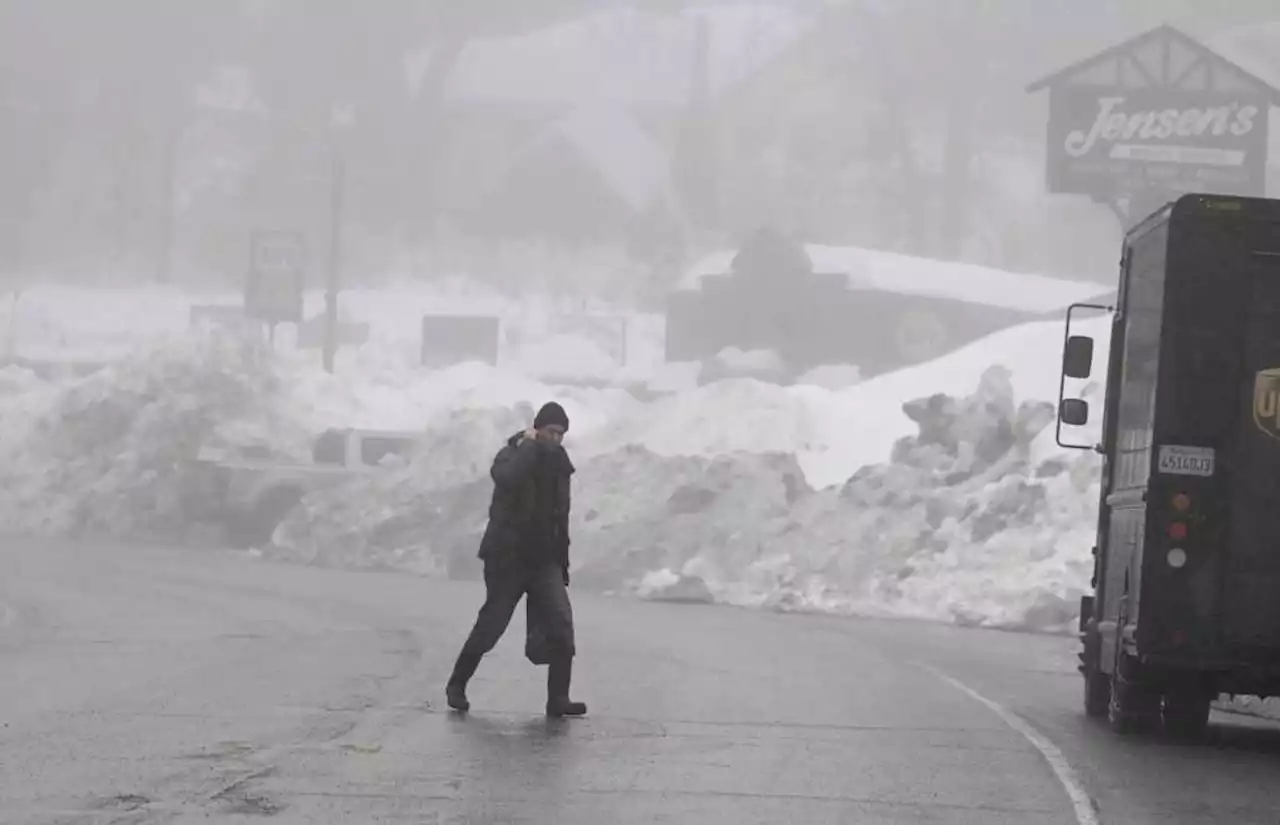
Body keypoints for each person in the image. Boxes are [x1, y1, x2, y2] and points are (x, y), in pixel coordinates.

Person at [444, 401, 587, 717]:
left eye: (561, 433)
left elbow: (559, 516)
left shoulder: (560, 464)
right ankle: (457, 684)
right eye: (551, 431)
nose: (556, 439)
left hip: (544, 561)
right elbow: (507, 478)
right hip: (508, 558)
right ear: (537, 429)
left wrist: (561, 563)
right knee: (491, 625)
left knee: (561, 623)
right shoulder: (513, 453)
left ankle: (558, 698)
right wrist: (529, 448)